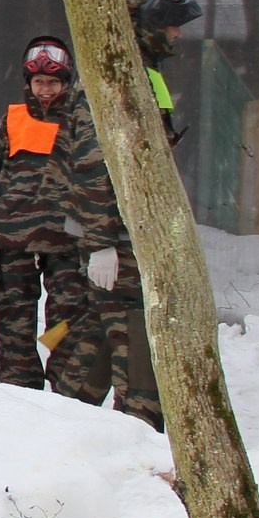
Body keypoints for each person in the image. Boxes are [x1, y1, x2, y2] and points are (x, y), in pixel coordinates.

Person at [0, 36, 94, 393]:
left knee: (67, 319)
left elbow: (96, 179)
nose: (46, 90)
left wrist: (96, 237)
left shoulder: (81, 122)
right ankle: (20, 392)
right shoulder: (10, 120)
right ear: (29, 82)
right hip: (12, 241)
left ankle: (62, 391)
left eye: (53, 82)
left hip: (67, 242)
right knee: (14, 321)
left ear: (65, 83)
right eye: (40, 82)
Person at [55, 73, 165, 430]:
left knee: (104, 332)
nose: (178, 33)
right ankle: (140, 430)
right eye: (172, 23)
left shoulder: (142, 74)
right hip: (119, 240)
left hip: (136, 234)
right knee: (133, 333)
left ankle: (58, 418)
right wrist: (101, 242)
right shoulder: (112, 77)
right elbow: (92, 168)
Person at [125, 0, 204, 147]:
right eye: (173, 24)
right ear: (154, 23)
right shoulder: (126, 74)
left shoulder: (145, 68)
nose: (178, 33)